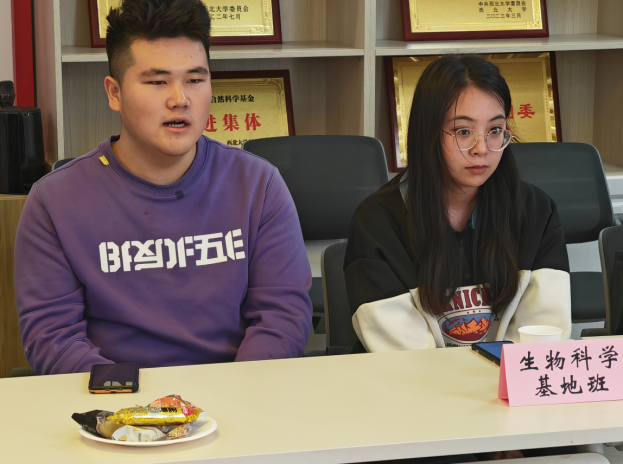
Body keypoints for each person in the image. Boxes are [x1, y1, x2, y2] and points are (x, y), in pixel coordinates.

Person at [14, 0, 312, 375]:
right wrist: (136, 404)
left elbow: (282, 317)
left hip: (236, 394)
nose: (180, 99)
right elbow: (53, 339)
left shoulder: (258, 184)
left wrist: (231, 396)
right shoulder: (54, 201)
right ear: (114, 92)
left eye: (195, 80)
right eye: (157, 82)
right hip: (113, 399)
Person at [345, 55, 571, 354]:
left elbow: (541, 339)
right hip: (414, 382)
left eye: (495, 130)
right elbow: (404, 359)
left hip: (508, 381)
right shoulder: (379, 221)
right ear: (428, 132)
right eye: (463, 131)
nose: (481, 149)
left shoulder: (536, 212)